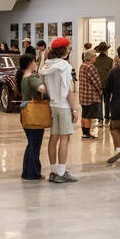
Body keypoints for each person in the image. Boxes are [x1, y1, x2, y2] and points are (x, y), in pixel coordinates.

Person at [39, 38, 79, 183]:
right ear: (63, 50)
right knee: (64, 138)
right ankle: (62, 172)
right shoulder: (65, 66)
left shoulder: (46, 65)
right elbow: (68, 91)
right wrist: (74, 110)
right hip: (63, 106)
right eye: (68, 48)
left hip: (52, 105)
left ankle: (53, 171)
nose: (69, 50)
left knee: (53, 137)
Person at [17, 57, 48, 180]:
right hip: (35, 114)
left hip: (25, 113)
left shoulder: (23, 78)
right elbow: (42, 89)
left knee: (31, 144)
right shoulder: (32, 78)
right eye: (34, 62)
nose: (35, 64)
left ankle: (26, 172)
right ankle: (33, 173)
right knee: (35, 146)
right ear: (30, 63)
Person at [78, 51, 102, 140]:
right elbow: (96, 80)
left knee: (84, 115)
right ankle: (87, 134)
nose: (96, 57)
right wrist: (100, 89)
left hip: (83, 95)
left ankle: (84, 133)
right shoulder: (91, 67)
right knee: (89, 116)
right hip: (90, 95)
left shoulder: (82, 65)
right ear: (91, 57)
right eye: (95, 56)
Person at [94, 43, 113, 119]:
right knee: (107, 101)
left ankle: (100, 118)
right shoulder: (110, 60)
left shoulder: (95, 61)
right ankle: (107, 116)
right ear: (106, 50)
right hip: (108, 84)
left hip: (98, 84)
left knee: (99, 102)